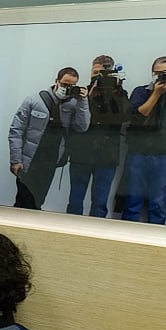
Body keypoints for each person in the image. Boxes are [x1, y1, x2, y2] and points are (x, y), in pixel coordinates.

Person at [121, 55, 166, 225]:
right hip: (139, 152)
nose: (161, 76)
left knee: (158, 204)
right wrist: (156, 93)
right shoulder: (141, 91)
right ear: (152, 74)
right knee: (132, 202)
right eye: (158, 73)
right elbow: (137, 116)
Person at [8, 66, 89, 210]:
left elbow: (82, 127)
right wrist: (16, 160)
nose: (67, 88)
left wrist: (83, 101)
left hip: (51, 161)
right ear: (56, 81)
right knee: (23, 200)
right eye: (65, 84)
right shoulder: (34, 100)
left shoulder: (74, 104)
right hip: (29, 160)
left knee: (38, 201)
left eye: (72, 86)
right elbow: (16, 130)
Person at [68, 55, 128, 217]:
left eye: (102, 74)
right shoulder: (82, 93)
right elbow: (74, 121)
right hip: (81, 153)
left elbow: (123, 118)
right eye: (95, 73)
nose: (98, 77)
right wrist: (88, 97)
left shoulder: (120, 93)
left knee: (100, 202)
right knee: (75, 200)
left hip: (107, 156)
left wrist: (116, 91)